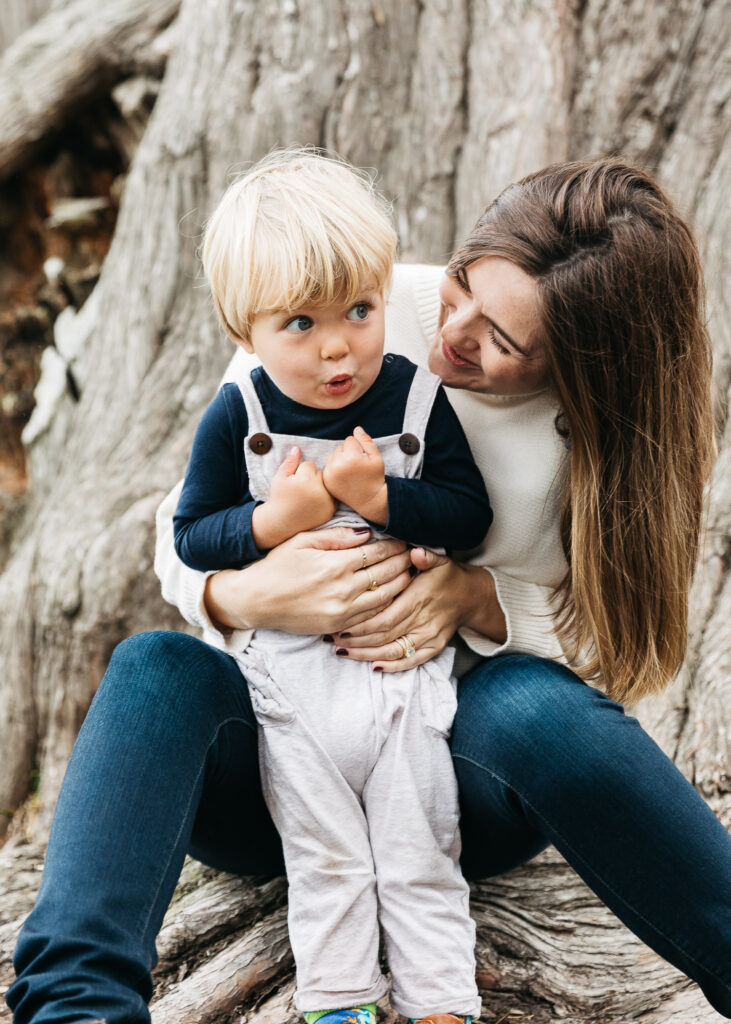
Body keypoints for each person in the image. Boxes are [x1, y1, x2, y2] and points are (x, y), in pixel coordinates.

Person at [7, 158, 731, 1024]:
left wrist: (479, 601)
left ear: (583, 368)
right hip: (279, 757)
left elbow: (615, 645)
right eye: (462, 284)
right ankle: (74, 1004)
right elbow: (183, 532)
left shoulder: (616, 447)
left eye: (500, 340)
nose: (450, 329)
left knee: (536, 708)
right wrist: (250, 597)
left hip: (448, 773)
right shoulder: (353, 304)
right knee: (154, 668)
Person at [171, 150, 491, 1024]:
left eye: (359, 309)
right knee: (325, 851)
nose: (338, 344)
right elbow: (193, 534)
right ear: (246, 333)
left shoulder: (417, 402)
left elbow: (468, 514)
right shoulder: (241, 416)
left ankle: (440, 1003)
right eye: (300, 324)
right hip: (292, 682)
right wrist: (279, 519)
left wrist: (380, 498)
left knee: (419, 840)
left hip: (399, 675)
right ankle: (340, 1000)